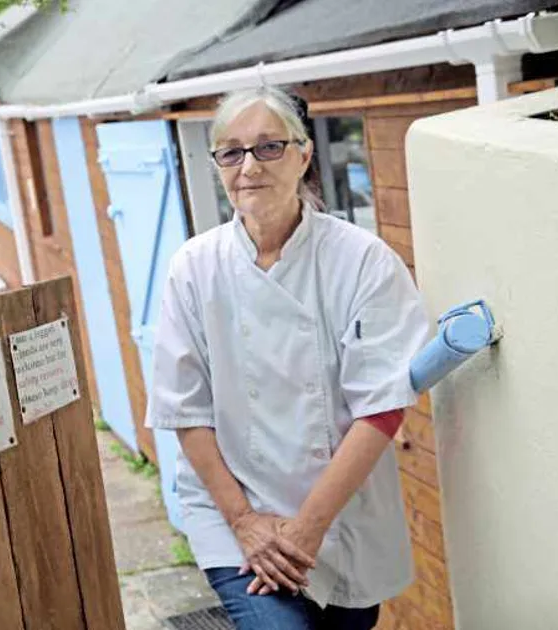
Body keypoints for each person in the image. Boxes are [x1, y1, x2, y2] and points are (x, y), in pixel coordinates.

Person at [145, 85, 429, 630]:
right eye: (231, 151)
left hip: (341, 516)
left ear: (303, 154)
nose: (248, 166)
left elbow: (382, 408)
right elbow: (186, 411)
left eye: (268, 147)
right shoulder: (194, 268)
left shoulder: (362, 261)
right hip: (234, 513)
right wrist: (247, 522)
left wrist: (307, 529)